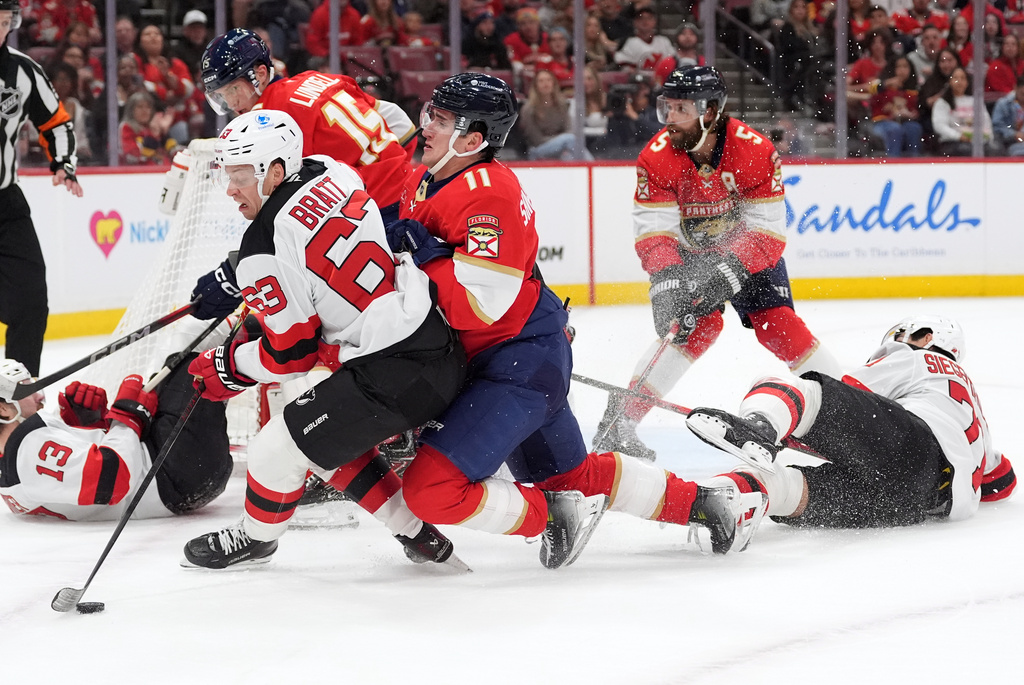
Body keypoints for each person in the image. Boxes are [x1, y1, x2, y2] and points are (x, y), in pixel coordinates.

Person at [385, 73, 769, 568]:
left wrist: (425, 255)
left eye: (440, 120)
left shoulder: (487, 194)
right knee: (571, 477)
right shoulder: (428, 178)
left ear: (473, 138)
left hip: (515, 365)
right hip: (513, 356)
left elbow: (478, 306)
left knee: (431, 489)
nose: (425, 127)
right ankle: (712, 505)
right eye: (428, 115)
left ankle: (553, 516)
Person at [181, 109, 468, 570]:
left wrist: (229, 367)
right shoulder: (333, 170)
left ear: (276, 171)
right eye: (227, 176)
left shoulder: (261, 248)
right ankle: (422, 539)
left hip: (392, 378)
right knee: (317, 434)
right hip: (437, 342)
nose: (230, 189)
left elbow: (291, 357)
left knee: (274, 449)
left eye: (240, 176)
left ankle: (256, 539)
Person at [593, 66, 840, 461]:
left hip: (750, 251)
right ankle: (621, 419)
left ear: (709, 111)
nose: (669, 118)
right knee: (692, 329)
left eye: (681, 109)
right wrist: (666, 279)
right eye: (667, 107)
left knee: (777, 324)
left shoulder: (755, 150)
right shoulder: (655, 157)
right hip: (689, 255)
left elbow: (767, 231)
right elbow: (655, 231)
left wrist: (731, 270)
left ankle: (850, 410)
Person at [687, 315, 1016, 532]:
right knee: (787, 489)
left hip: (915, 449)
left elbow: (842, 396)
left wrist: (788, 427)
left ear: (927, 336)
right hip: (920, 503)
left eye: (903, 334)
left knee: (799, 390)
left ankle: (759, 427)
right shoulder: (970, 403)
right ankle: (723, 504)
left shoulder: (916, 357)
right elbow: (1002, 481)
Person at [200, 28, 417, 227]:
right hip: (410, 188)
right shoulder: (314, 78)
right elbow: (399, 121)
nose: (231, 103)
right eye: (221, 96)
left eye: (233, 89)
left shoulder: (270, 119)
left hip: (377, 209)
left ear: (260, 75)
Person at [0, 349, 233, 521]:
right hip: (172, 469)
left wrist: (90, 424)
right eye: (26, 389)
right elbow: (112, 479)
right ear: (3, 409)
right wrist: (126, 417)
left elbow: (83, 492)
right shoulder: (27, 448)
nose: (39, 396)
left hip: (168, 471)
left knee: (177, 363)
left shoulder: (14, 463)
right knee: (200, 364)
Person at [0, 2, 82, 378]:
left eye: (5, 22)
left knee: (31, 300)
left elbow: (56, 123)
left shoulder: (23, 71)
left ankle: (18, 391)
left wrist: (63, 163)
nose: (0, 30)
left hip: (6, 202)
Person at [518, 68, 593, 160]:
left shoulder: (561, 105)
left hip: (561, 145)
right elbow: (536, 139)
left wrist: (561, 142)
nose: (545, 84)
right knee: (570, 139)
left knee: (568, 157)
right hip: (537, 149)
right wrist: (561, 140)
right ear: (535, 85)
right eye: (541, 81)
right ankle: (592, 165)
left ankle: (587, 167)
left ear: (554, 83)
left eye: (548, 80)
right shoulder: (528, 109)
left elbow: (568, 129)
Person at [932, 66, 996, 156]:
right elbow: (940, 126)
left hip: (977, 141)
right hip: (952, 142)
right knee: (967, 150)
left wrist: (988, 136)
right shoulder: (942, 103)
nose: (959, 81)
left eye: (963, 78)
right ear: (949, 81)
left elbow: (986, 122)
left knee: (995, 150)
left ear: (967, 82)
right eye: (956, 78)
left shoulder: (976, 101)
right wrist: (959, 136)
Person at [869, 55, 923, 157]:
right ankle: (893, 160)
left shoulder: (913, 90)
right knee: (895, 129)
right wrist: (886, 83)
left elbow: (916, 111)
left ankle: (913, 160)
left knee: (914, 128)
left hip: (904, 122)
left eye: (905, 67)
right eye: (898, 67)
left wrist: (910, 115)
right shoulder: (883, 86)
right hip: (881, 122)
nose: (902, 70)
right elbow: (870, 89)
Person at [118, 91, 176, 165]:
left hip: (161, 169)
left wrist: (160, 132)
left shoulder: (153, 127)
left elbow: (171, 151)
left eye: (148, 107)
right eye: (140, 107)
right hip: (136, 170)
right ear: (131, 110)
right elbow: (130, 155)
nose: (144, 110)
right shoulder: (126, 127)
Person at [614, 7, 674, 71]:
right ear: (635, 22)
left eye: (649, 18)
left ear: (655, 21)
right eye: (641, 18)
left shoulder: (664, 41)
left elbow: (673, 61)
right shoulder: (629, 42)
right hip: (637, 77)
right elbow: (623, 63)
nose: (645, 21)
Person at [984, 33, 1024, 100]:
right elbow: (1001, 90)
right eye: (1007, 44)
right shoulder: (995, 67)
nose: (1010, 47)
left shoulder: (1022, 64)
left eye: (1013, 44)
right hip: (999, 101)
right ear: (1002, 47)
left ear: (1018, 48)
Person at [991, 75, 1024, 155]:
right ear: (1015, 88)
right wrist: (1014, 134)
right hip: (1010, 142)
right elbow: (997, 126)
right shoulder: (1003, 104)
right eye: (1023, 94)